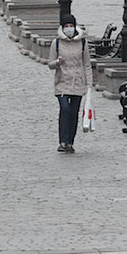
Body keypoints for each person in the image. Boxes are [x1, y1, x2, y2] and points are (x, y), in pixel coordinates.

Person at [47, 13, 93, 153]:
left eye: (71, 26)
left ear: (75, 26)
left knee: (73, 113)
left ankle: (70, 142)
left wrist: (89, 85)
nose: (69, 28)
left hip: (78, 83)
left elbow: (87, 64)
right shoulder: (57, 43)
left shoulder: (82, 43)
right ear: (62, 27)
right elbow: (50, 63)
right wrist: (57, 62)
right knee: (65, 110)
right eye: (66, 26)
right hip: (62, 83)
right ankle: (62, 141)